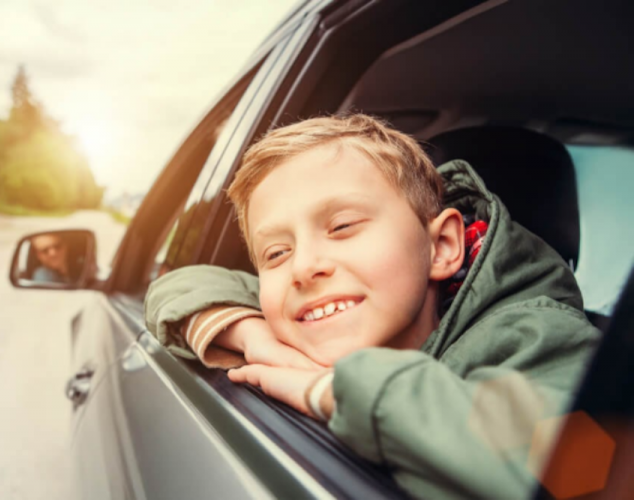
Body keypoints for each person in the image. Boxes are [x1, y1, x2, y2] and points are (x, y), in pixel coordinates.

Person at [144, 115, 600, 499]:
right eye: (276, 253)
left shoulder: (538, 332)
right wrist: (254, 335)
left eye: (342, 226)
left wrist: (330, 390)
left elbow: (587, 464)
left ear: (441, 247)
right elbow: (178, 285)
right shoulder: (295, 311)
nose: (303, 267)